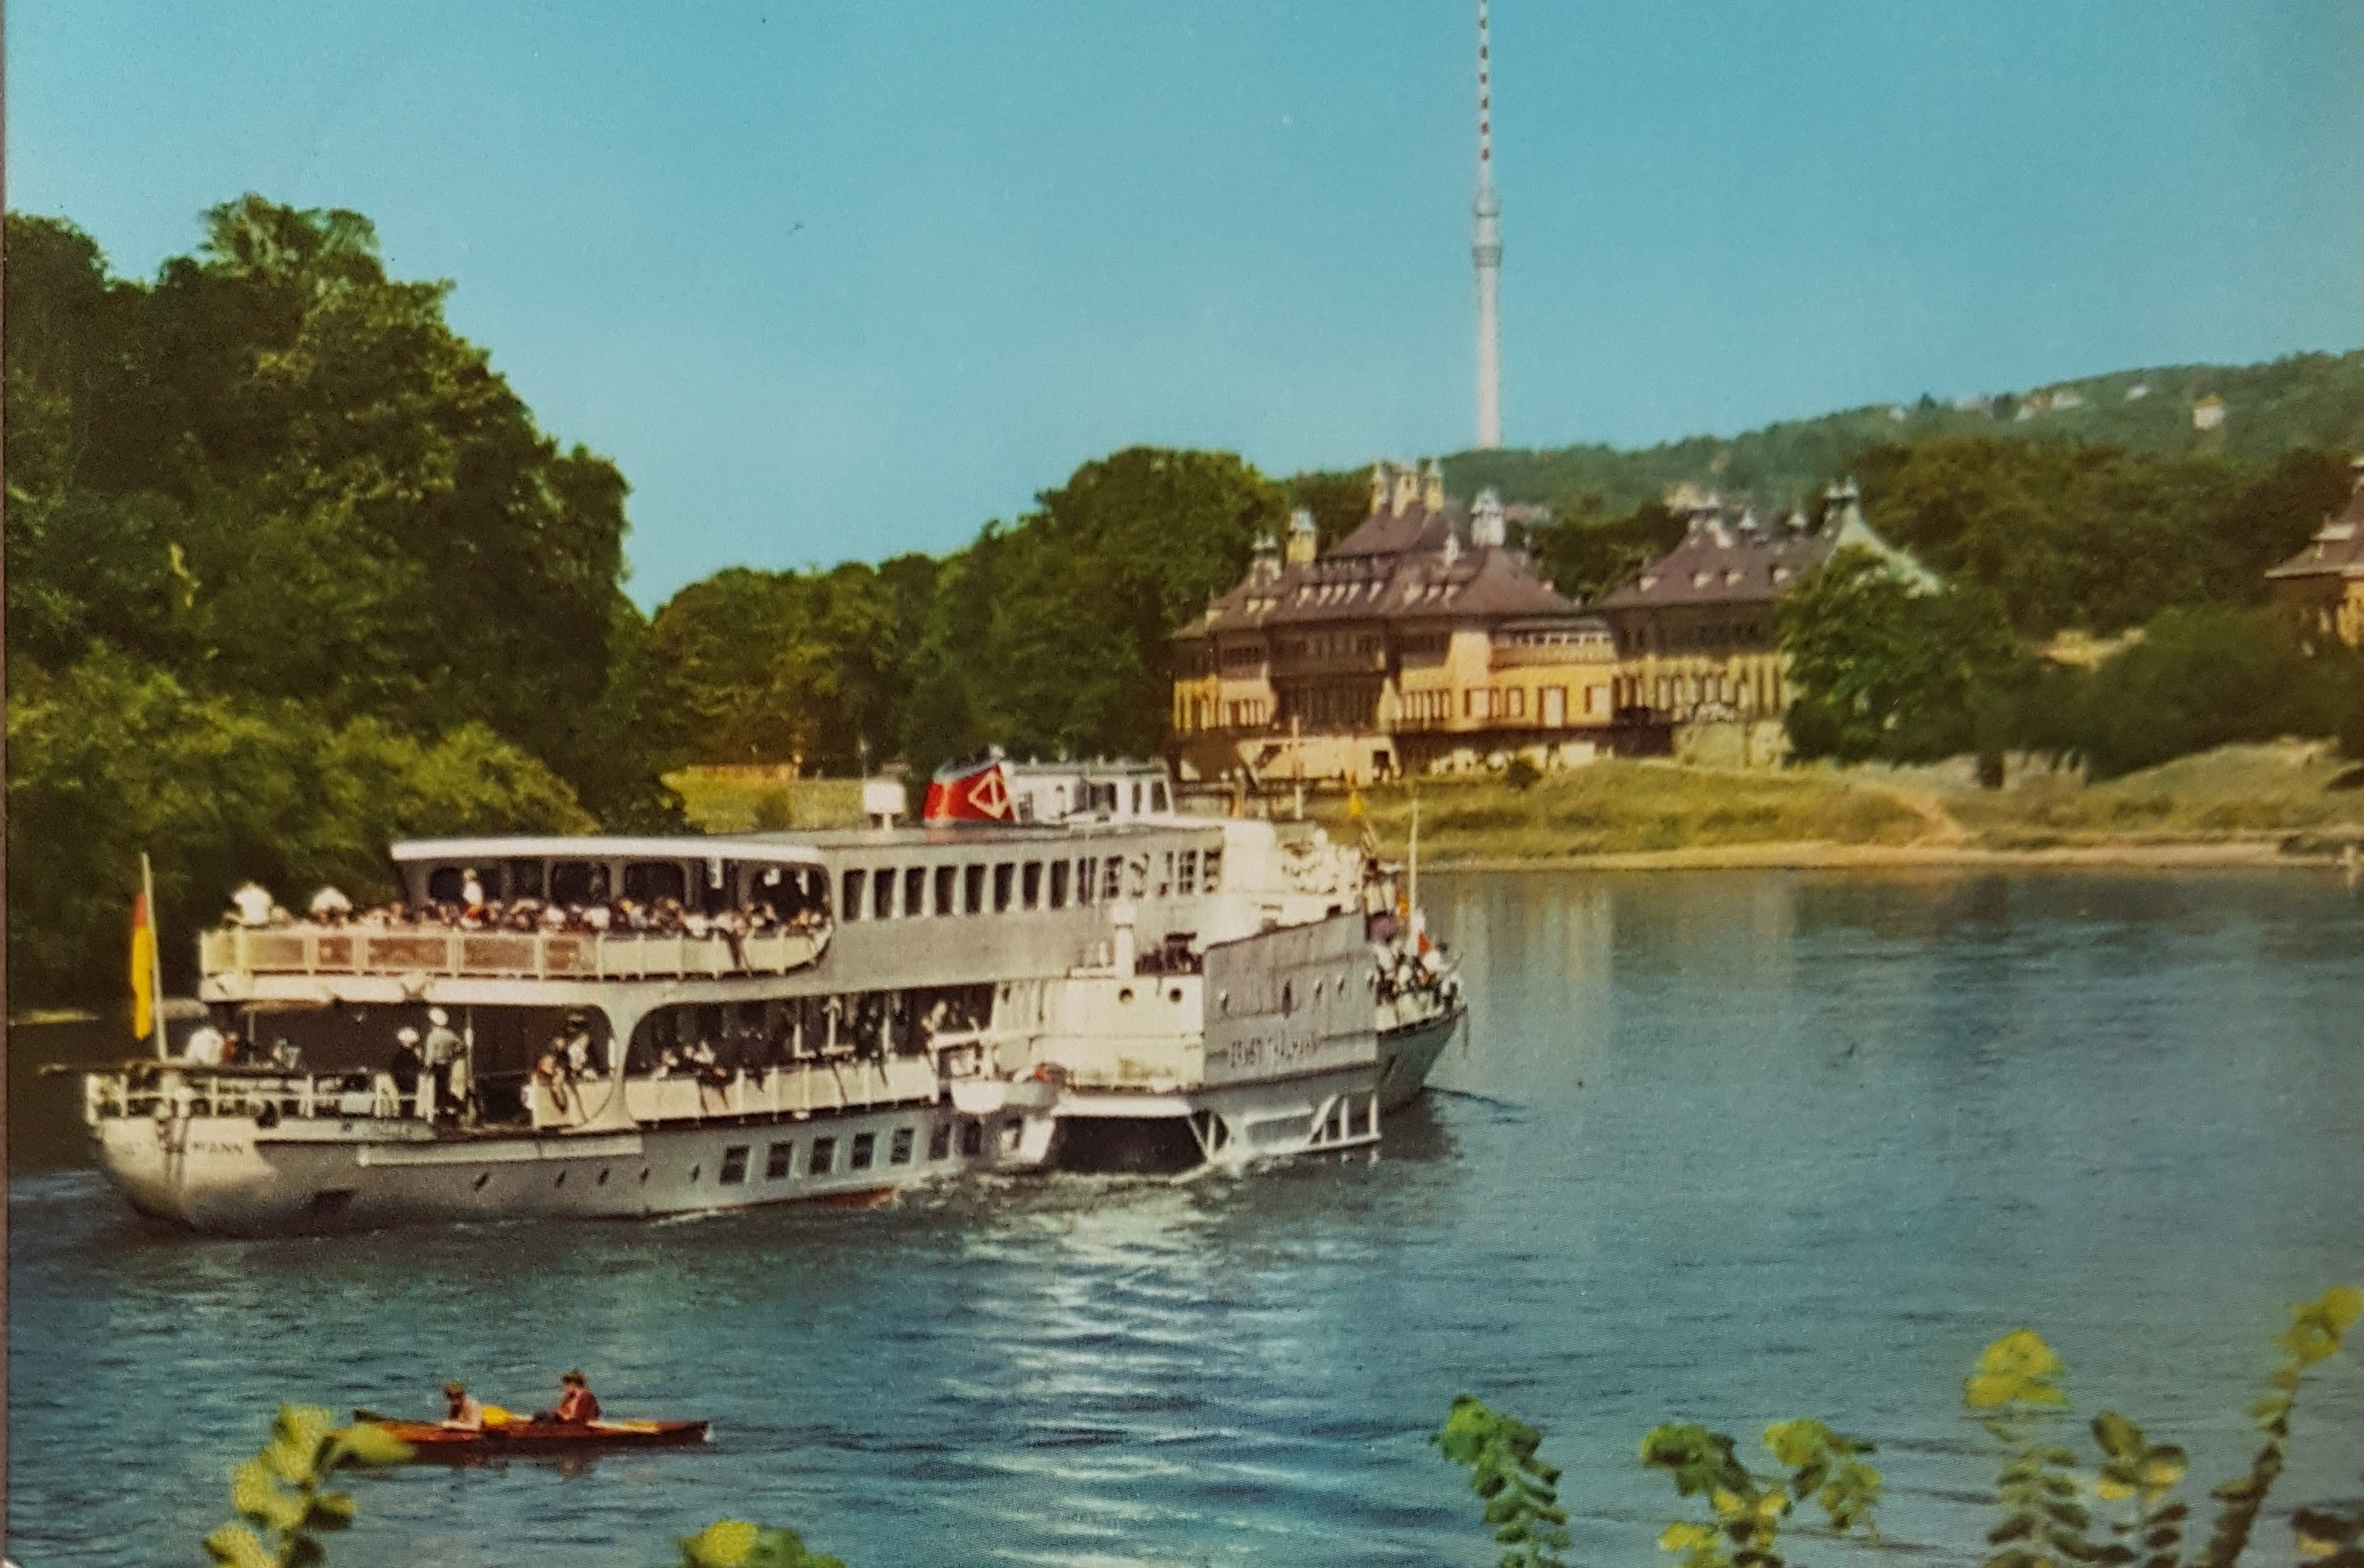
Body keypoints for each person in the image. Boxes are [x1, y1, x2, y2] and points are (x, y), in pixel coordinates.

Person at [422, 1008, 464, 1120]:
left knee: (436, 1090)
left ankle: (436, 1114)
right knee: (445, 1088)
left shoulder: (432, 1036)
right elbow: (461, 1045)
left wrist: (427, 1069)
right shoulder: (450, 1034)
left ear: (432, 1022)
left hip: (435, 1066)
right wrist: (452, 1053)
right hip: (447, 1065)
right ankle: (447, 1112)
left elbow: (430, 1055)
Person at [535, 1370, 601, 1426]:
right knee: (541, 1416)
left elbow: (578, 1418)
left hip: (578, 1426)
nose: (564, 1387)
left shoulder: (585, 1397)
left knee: (543, 1418)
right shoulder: (570, 1396)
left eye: (566, 1385)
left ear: (573, 1384)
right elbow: (561, 1410)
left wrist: (561, 1416)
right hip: (568, 1422)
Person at [388, 1027, 424, 1100]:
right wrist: (420, 1059)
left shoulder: (398, 1056)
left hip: (400, 1087)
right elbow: (418, 1070)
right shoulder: (412, 1057)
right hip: (410, 1087)